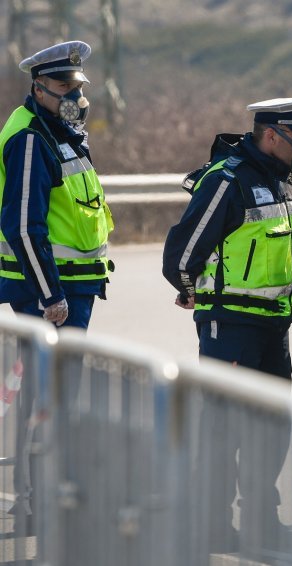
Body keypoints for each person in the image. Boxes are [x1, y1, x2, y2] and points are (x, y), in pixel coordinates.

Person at [162, 96, 292, 558]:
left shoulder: (285, 184)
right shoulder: (228, 180)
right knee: (223, 429)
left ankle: (261, 521)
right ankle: (211, 525)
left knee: (271, 427)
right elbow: (181, 252)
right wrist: (192, 289)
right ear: (271, 136)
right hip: (230, 325)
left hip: (275, 325)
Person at [0, 40, 113, 536]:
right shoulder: (30, 138)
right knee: (45, 398)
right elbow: (24, 225)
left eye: (78, 85)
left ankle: (51, 496)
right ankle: (34, 503)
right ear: (39, 87)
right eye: (64, 85)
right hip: (47, 295)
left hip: (71, 292)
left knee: (58, 396)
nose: (74, 94)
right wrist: (50, 296)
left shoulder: (62, 132)